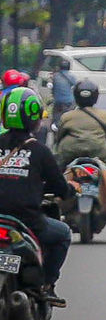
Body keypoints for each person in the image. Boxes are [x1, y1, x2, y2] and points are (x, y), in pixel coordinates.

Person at [0, 87, 74, 307]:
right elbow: (60, 187)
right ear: (34, 120)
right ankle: (47, 285)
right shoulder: (40, 151)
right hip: (27, 221)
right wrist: (71, 190)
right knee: (63, 234)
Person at [54, 80, 106, 171]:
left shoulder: (67, 116)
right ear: (96, 97)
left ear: (76, 96)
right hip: (99, 153)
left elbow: (59, 138)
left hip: (70, 153)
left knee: (58, 170)